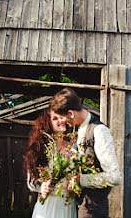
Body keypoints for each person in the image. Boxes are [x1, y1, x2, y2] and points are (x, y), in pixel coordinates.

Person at [49, 88, 121, 218]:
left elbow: (114, 177)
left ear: (71, 113)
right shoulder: (78, 129)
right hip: (81, 203)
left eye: (62, 118)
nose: (64, 123)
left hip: (94, 208)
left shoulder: (99, 131)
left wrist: (81, 180)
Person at [24, 109, 77, 218]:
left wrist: (75, 185)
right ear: (48, 124)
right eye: (55, 118)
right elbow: (31, 182)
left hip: (67, 204)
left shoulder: (74, 146)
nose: (60, 120)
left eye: (62, 117)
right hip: (47, 203)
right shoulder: (41, 149)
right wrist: (42, 187)